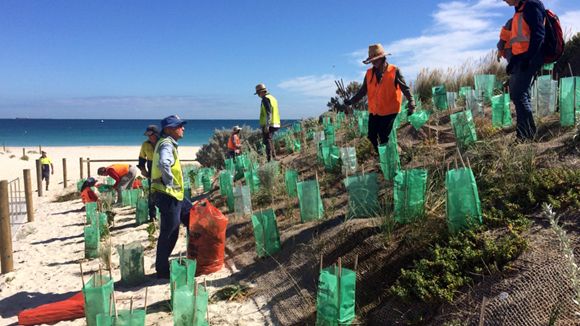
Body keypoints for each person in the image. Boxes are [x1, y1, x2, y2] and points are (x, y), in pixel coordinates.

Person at [345, 44, 416, 153]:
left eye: (375, 59)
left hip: (390, 110)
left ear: (382, 58)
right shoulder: (369, 74)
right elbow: (362, 91)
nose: (373, 62)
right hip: (375, 111)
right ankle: (381, 154)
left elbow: (405, 88)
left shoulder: (394, 70)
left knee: (384, 135)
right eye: (372, 60)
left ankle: (393, 155)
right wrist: (351, 101)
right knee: (371, 136)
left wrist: (412, 102)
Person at [151, 115, 192, 279]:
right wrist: (169, 182)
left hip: (176, 195)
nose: (183, 128)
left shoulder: (169, 144)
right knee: (170, 231)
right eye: (179, 126)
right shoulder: (167, 144)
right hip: (168, 195)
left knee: (192, 218)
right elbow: (163, 163)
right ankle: (162, 269)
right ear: (168, 129)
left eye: (182, 125)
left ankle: (196, 255)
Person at [502, 0, 546, 141]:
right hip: (520, 59)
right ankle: (524, 134)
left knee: (518, 94)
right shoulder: (519, 9)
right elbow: (520, 41)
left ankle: (526, 135)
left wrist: (528, 59)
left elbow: (538, 35)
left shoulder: (531, 6)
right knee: (520, 95)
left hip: (530, 59)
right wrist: (513, 62)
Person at [138, 124, 160, 220]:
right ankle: (152, 216)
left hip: (163, 169)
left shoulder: (163, 143)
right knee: (152, 194)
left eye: (151, 135)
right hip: (151, 170)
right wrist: (143, 170)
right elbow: (141, 158)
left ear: (156, 134)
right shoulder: (145, 144)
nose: (149, 137)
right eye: (148, 135)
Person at [255, 83, 280, 162]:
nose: (258, 95)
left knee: (267, 141)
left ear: (261, 92)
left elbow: (269, 112)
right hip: (275, 123)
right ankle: (274, 156)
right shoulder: (273, 98)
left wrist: (267, 125)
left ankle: (269, 159)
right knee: (270, 140)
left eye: (258, 93)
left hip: (269, 124)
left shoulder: (265, 99)